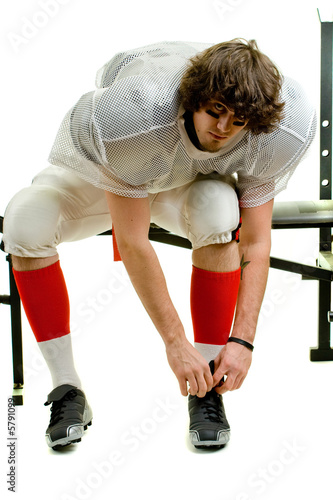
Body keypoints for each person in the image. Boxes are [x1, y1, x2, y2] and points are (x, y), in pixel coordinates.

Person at [2, 39, 316, 451]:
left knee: (220, 211)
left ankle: (206, 387)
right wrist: (174, 343)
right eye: (214, 111)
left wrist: (242, 341)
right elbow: (132, 242)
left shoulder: (279, 129)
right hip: (116, 170)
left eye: (237, 120)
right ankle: (66, 389)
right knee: (25, 220)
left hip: (184, 184)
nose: (222, 129)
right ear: (192, 99)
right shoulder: (134, 116)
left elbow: (256, 241)